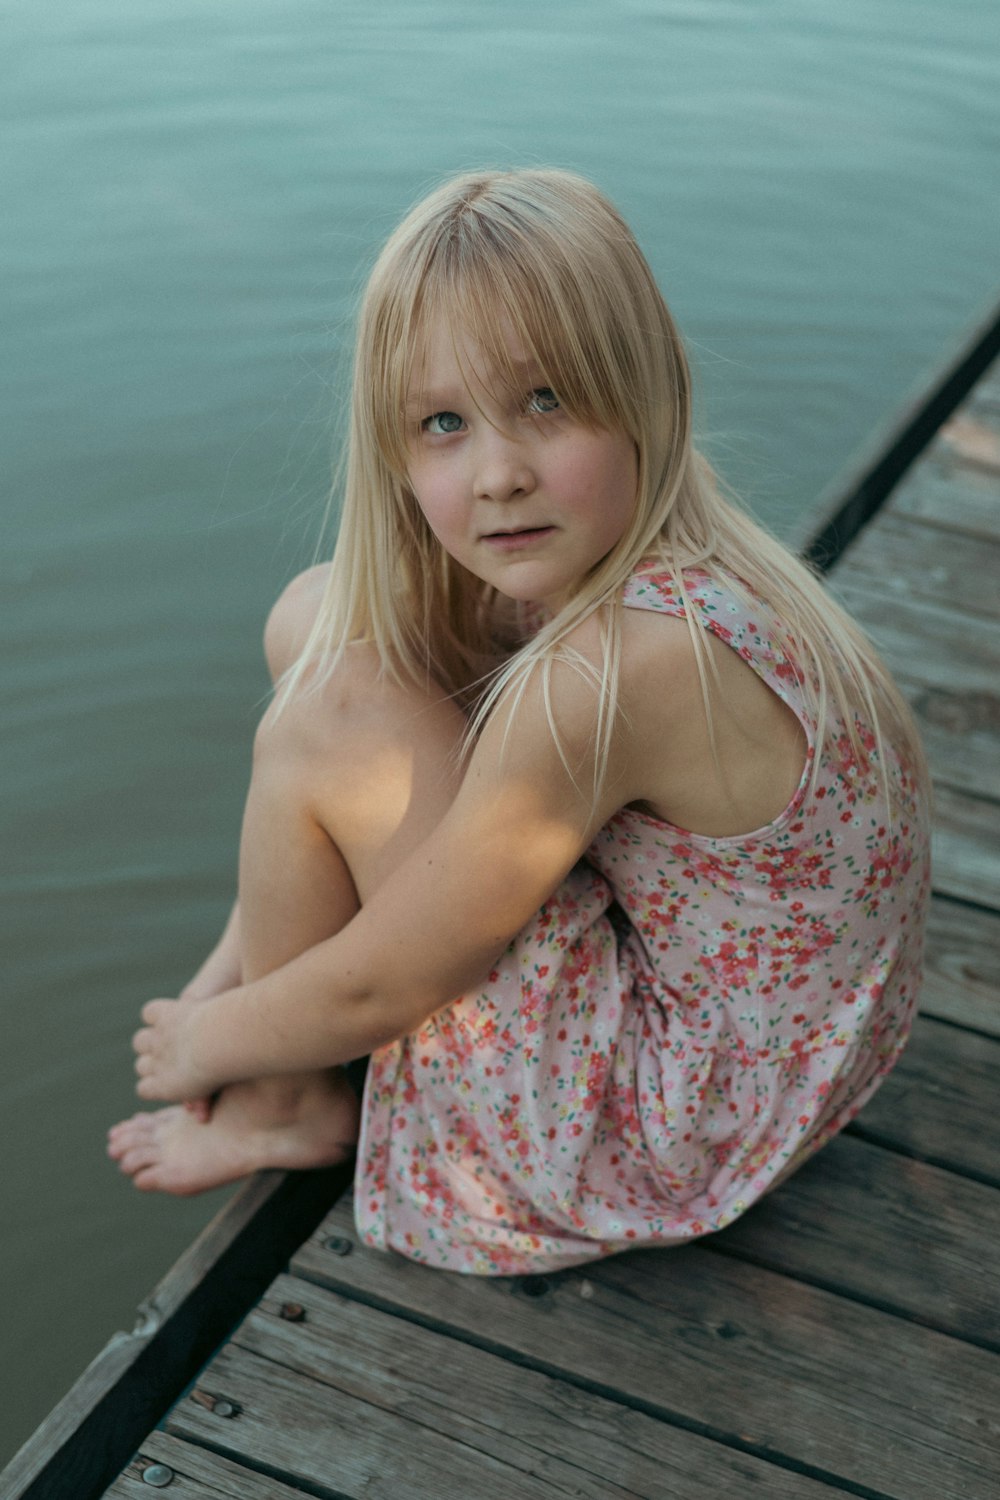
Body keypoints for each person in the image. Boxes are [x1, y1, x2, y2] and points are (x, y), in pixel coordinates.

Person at [108, 168, 930, 1274]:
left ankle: (286, 1099)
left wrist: (209, 1038)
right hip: (795, 1052)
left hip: (675, 1129)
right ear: (395, 455)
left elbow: (388, 980)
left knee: (327, 724)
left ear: (647, 391)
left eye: (545, 401)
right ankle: (274, 1046)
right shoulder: (678, 558)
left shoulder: (609, 672)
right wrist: (230, 975)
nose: (497, 474)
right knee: (318, 620)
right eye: (443, 423)